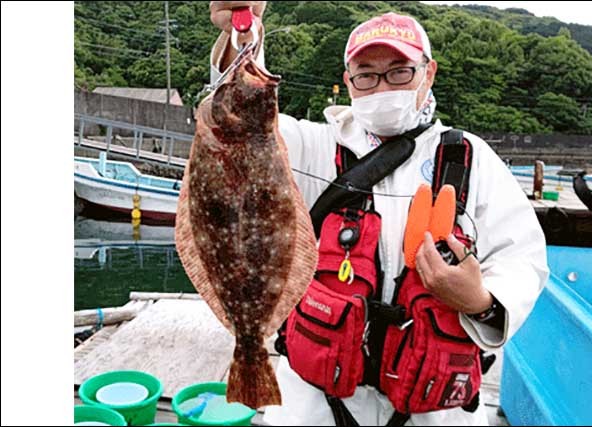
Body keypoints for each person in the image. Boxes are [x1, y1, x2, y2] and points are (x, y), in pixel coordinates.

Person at [209, 2, 549, 425]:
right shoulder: (313, 146)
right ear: (348, 81)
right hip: (316, 403)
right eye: (366, 75)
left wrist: (480, 301)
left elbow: (523, 258)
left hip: (433, 408)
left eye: (399, 71)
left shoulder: (468, 158)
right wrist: (243, 36)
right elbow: (241, 121)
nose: (382, 87)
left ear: (429, 72)